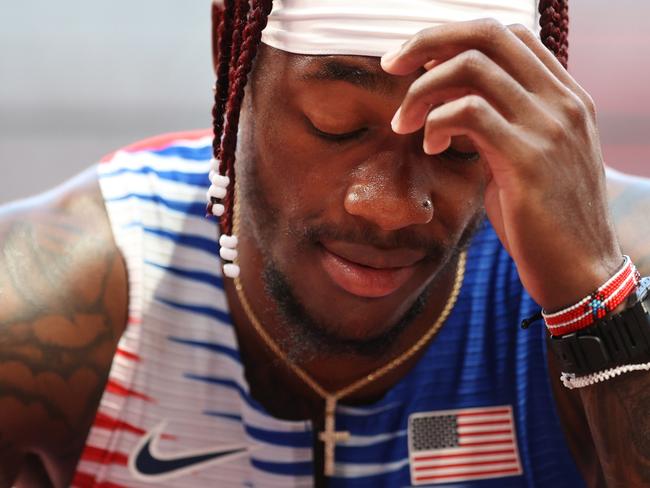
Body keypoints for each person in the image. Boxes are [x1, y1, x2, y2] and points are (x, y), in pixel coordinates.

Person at [2, 0, 650, 486]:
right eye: (336, 125)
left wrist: (598, 302)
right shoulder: (53, 306)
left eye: (456, 142)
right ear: (230, 53)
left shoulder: (615, 267)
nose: (391, 207)